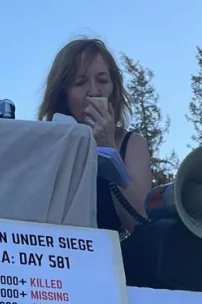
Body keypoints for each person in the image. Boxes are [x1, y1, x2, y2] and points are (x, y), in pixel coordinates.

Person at [37, 38, 153, 235]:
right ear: (63, 94)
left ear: (114, 88)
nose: (93, 91)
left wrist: (109, 151)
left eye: (102, 81)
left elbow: (139, 221)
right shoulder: (46, 143)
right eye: (80, 83)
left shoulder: (132, 144)